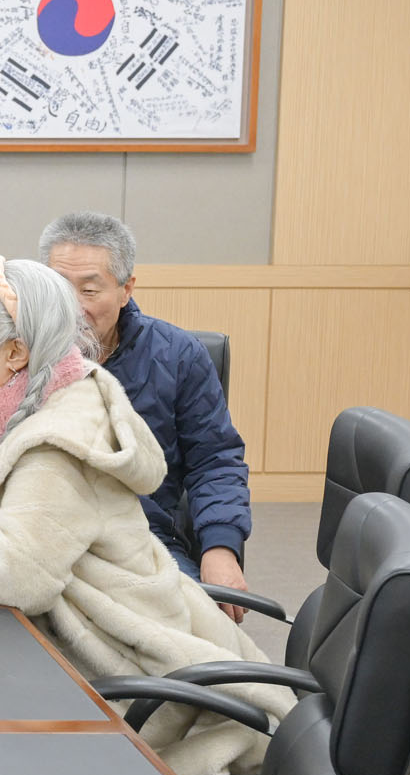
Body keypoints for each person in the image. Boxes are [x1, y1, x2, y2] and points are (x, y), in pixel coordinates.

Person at [0, 257, 290, 775]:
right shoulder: (29, 399)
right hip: (106, 638)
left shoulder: (53, 445)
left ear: (16, 352)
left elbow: (19, 577)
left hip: (126, 675)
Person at [38, 211, 252, 620]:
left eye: (89, 290)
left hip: (142, 540)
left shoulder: (178, 356)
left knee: (190, 631)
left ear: (126, 290)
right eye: (59, 288)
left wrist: (221, 548)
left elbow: (215, 460)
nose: (73, 308)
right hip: (38, 536)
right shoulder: (15, 353)